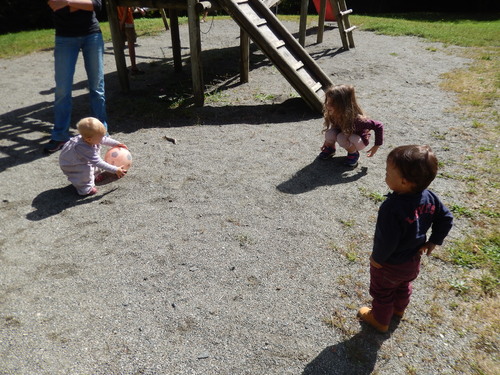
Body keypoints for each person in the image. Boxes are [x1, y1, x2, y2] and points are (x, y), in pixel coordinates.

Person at [357, 145, 453, 333]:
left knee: (383, 292)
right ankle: (398, 309)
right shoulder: (429, 197)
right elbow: (446, 217)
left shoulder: (391, 208)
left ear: (403, 181)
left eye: (387, 172)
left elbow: (387, 241)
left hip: (390, 265)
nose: (385, 174)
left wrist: (377, 259)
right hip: (412, 261)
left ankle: (380, 320)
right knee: (403, 286)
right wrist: (434, 240)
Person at [44, 0, 108, 154]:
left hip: (92, 34)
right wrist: (80, 3)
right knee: (62, 90)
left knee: (97, 88)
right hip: (65, 37)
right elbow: (54, 4)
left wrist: (66, 2)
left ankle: (100, 132)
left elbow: (96, 5)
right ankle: (60, 136)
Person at [59, 117, 128, 196]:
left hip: (78, 159)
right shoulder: (83, 147)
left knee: (92, 162)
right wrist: (115, 170)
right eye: (101, 137)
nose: (103, 138)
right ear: (89, 139)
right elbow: (98, 162)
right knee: (85, 171)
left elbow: (104, 139)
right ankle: (84, 189)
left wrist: (117, 144)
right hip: (72, 164)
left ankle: (94, 175)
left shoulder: (91, 138)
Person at [318, 84, 384, 167]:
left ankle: (353, 154)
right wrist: (328, 142)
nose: (327, 105)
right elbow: (334, 127)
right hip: (346, 134)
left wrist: (376, 145)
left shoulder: (358, 120)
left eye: (332, 103)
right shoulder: (334, 113)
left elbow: (379, 125)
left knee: (341, 137)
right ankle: (330, 149)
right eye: (327, 101)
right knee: (330, 133)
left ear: (343, 105)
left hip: (359, 140)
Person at [117, 6, 145, 75]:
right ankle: (134, 68)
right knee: (131, 46)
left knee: (121, 46)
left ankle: (123, 68)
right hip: (127, 22)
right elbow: (127, 10)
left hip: (118, 22)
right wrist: (122, 23)